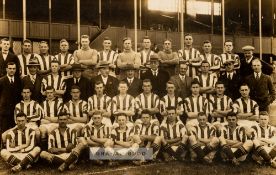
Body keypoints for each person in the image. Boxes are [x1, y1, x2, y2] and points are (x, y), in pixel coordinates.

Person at [0, 62, 22, 138]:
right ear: (6, 69)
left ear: (16, 70)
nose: (12, 70)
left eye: (13, 69)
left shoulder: (19, 81)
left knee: (15, 132)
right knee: (4, 133)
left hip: (15, 111)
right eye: (10, 68)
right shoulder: (1, 81)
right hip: (5, 112)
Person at [39, 86, 64, 150]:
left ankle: (52, 149)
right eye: (48, 93)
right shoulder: (42, 104)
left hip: (55, 124)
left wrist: (47, 118)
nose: (49, 94)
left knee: (50, 130)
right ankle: (44, 150)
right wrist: (53, 119)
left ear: (54, 93)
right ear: (46, 94)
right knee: (43, 131)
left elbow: (59, 119)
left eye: (51, 92)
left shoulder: (59, 103)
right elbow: (41, 118)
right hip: (44, 124)